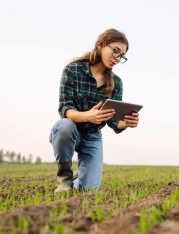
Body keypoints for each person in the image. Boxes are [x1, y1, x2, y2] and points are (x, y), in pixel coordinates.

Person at [49, 29, 139, 193]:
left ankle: (80, 178)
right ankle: (65, 180)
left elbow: (113, 120)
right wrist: (88, 116)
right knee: (63, 126)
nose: (117, 58)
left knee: (88, 190)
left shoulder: (116, 83)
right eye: (115, 51)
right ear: (101, 44)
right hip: (71, 129)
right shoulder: (73, 70)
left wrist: (124, 123)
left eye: (121, 56)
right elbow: (65, 108)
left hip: (92, 137)